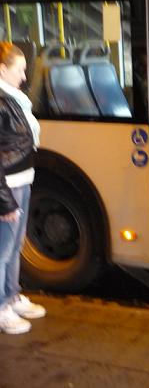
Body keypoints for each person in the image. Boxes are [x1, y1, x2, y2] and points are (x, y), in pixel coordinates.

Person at [0, 42, 46, 335]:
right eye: (19, 69)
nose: (24, 76)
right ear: (2, 69)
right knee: (2, 251)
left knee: (15, 247)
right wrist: (4, 202)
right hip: (8, 187)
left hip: (22, 179)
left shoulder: (13, 97)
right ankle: (1, 307)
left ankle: (12, 295)